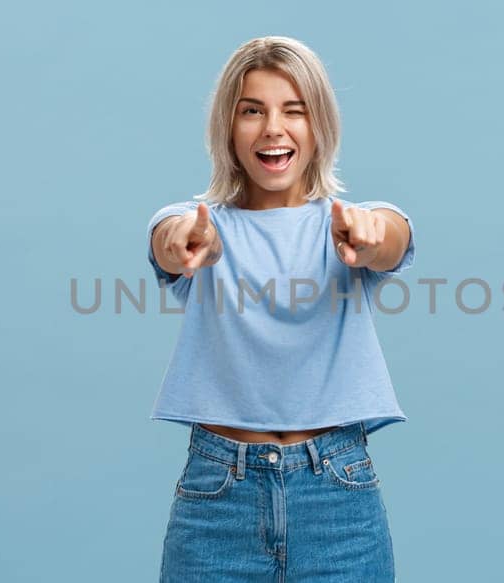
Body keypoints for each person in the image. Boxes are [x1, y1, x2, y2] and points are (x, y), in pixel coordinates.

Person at [146, 36, 416, 582]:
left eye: (294, 111)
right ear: (228, 127)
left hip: (338, 496)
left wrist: (369, 236)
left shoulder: (350, 222)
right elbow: (170, 242)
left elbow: (392, 234)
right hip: (218, 496)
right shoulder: (195, 222)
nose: (273, 127)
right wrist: (186, 243)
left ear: (319, 129)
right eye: (253, 111)